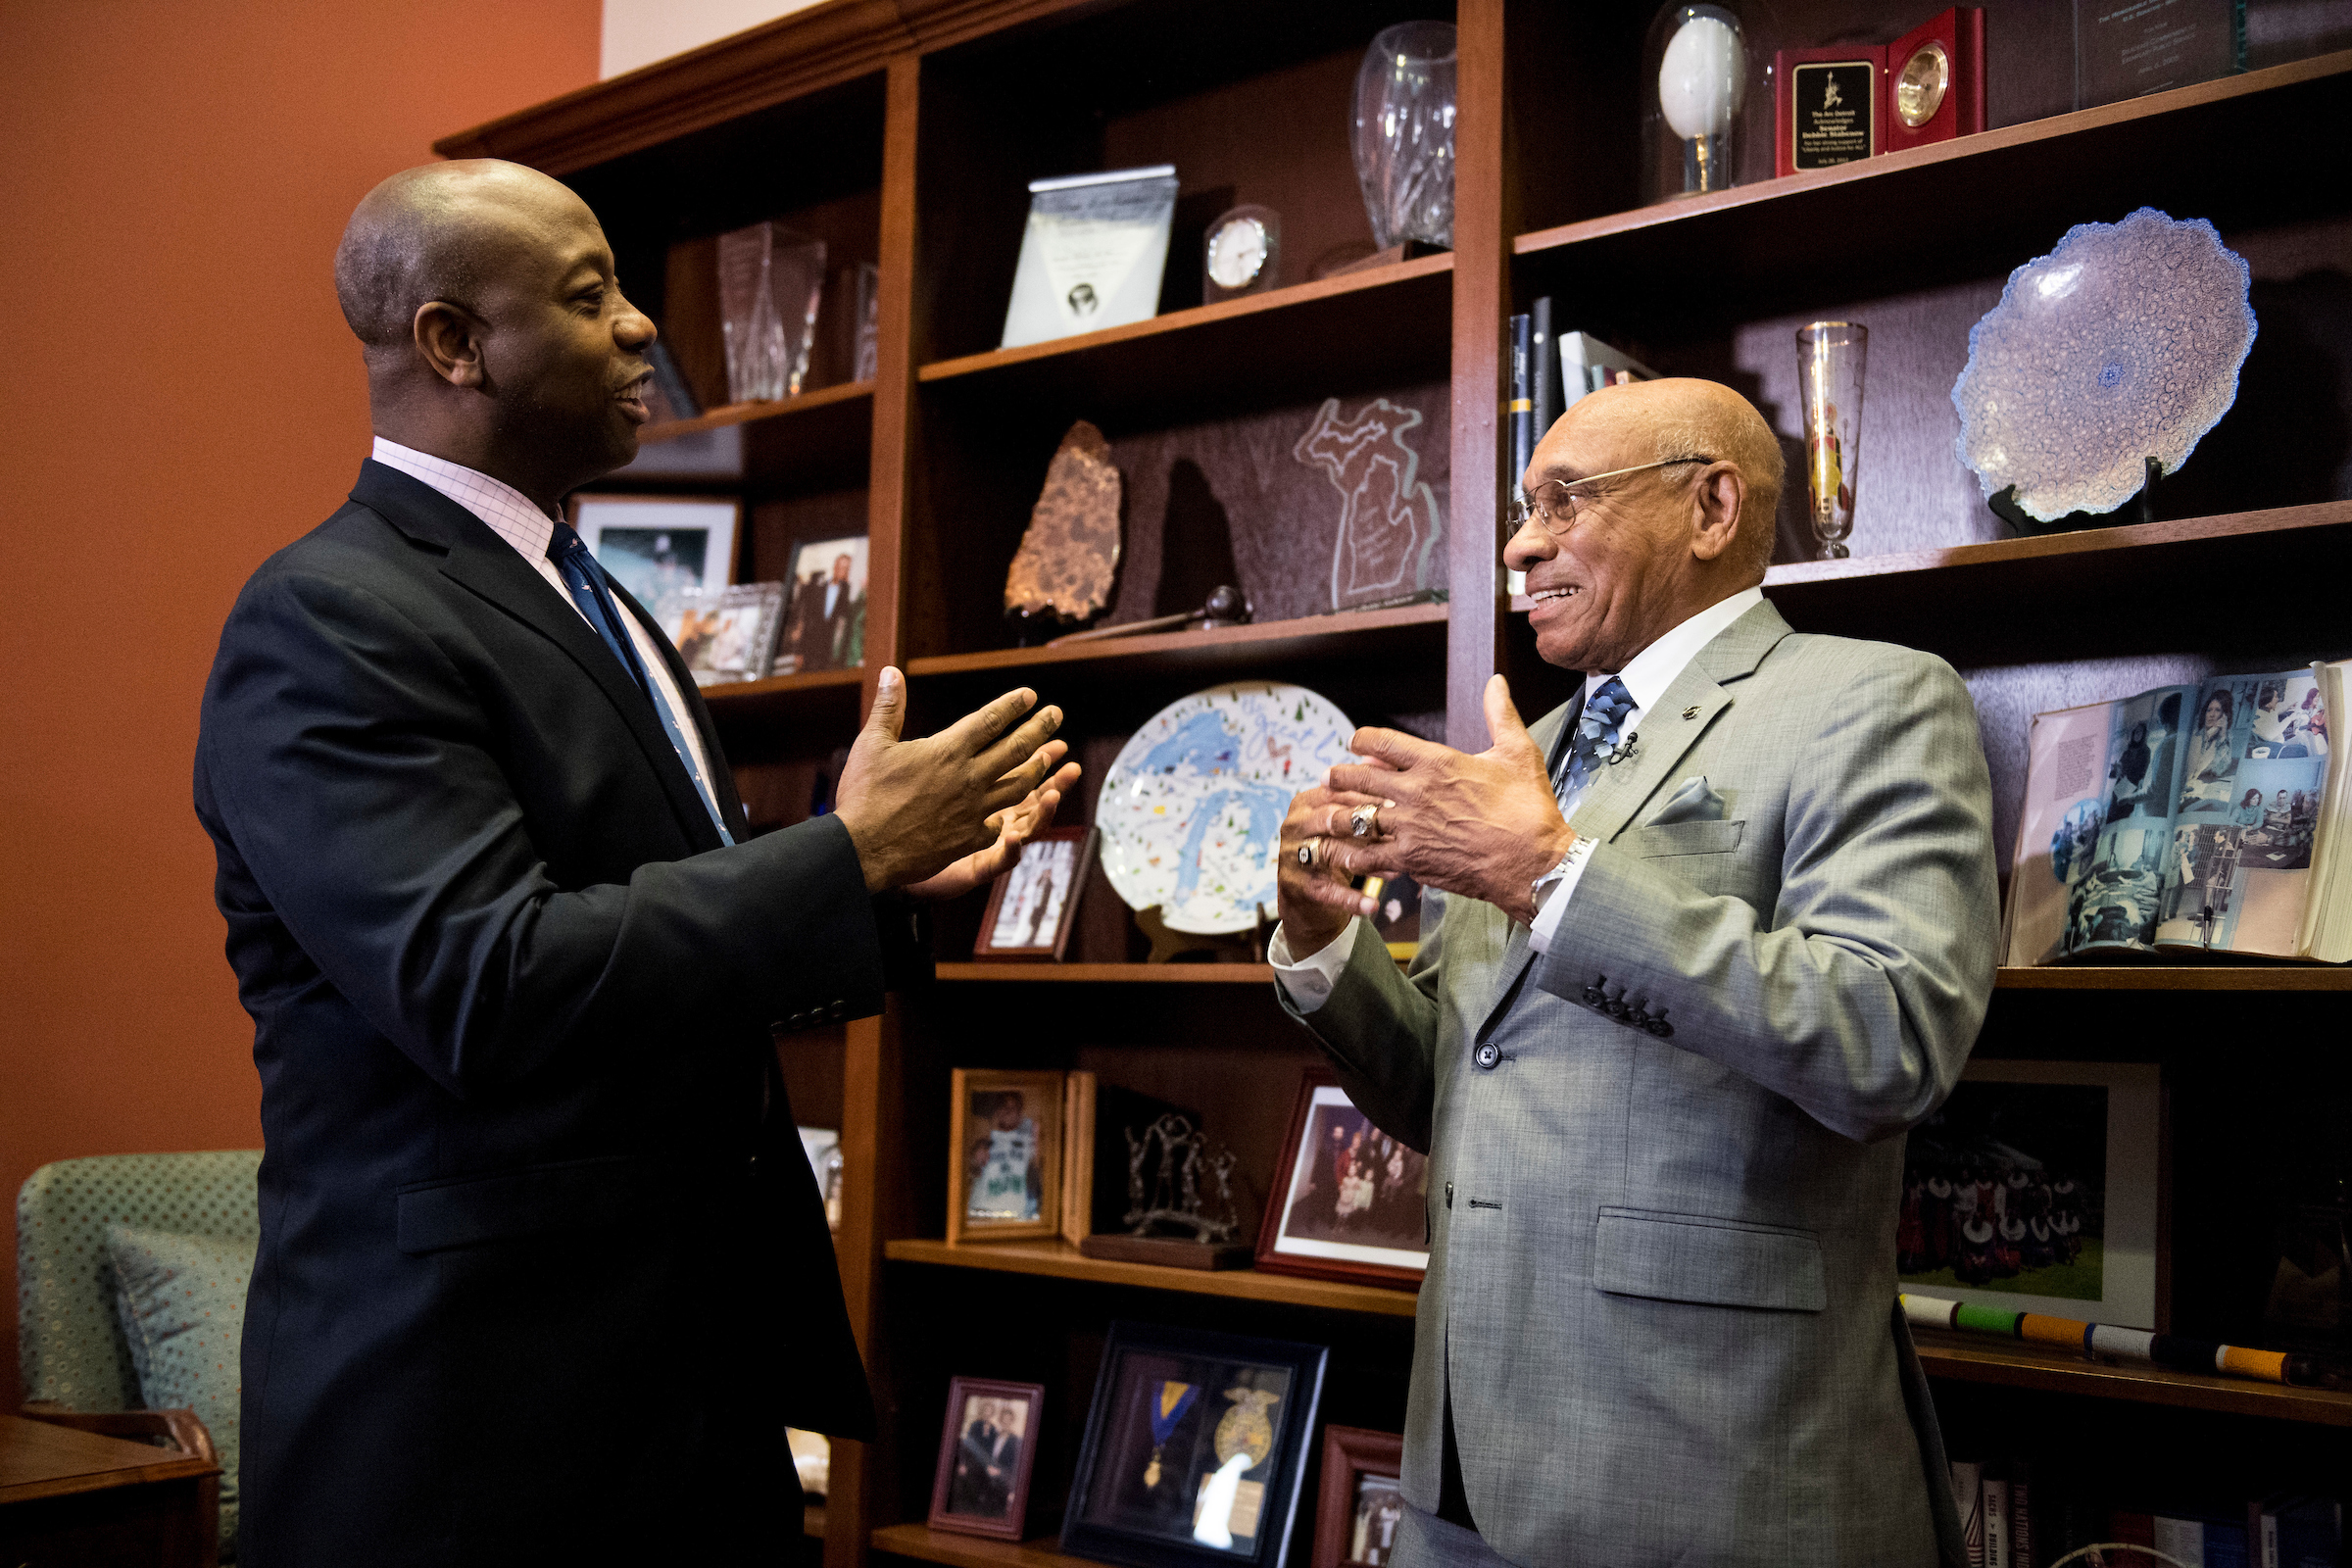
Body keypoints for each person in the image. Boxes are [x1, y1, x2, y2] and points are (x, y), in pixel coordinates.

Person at [195, 160, 1082, 1567]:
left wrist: (872, 886)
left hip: (683, 1403)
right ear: (453, 342)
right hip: (477, 1433)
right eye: (589, 294)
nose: (642, 330)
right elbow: (483, 982)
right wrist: (835, 861)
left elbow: (664, 966)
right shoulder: (327, 616)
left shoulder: (592, 593)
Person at [1270, 378, 1995, 1566]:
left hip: (1715, 1467)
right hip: (1462, 1465)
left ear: (1711, 505)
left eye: (1565, 498)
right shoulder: (1530, 752)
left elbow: (1889, 1040)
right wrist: (1320, 940)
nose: (1520, 539)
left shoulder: (1877, 698)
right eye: (1521, 505)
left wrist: (1556, 874)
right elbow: (1464, 1086)